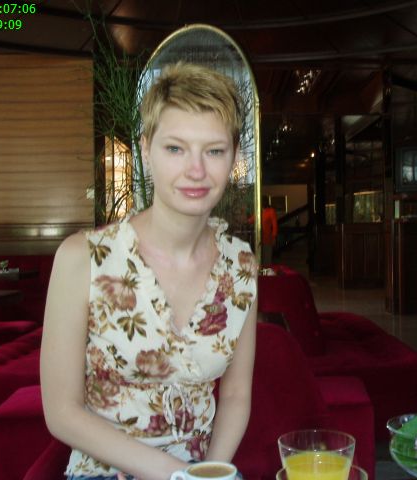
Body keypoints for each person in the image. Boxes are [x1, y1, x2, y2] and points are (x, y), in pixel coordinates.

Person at [40, 62, 258, 480]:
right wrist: (173, 474)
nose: (196, 170)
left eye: (214, 151)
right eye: (175, 148)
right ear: (145, 149)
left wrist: (207, 473)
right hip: (103, 472)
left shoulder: (242, 265)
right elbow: (61, 411)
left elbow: (235, 394)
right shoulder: (83, 258)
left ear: (233, 156)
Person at [261, 196, 278, 265]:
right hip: (259, 238)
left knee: (267, 258)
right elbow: (253, 218)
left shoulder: (271, 211)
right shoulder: (260, 211)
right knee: (261, 258)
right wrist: (246, 221)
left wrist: (274, 237)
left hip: (268, 237)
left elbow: (275, 225)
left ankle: (267, 270)